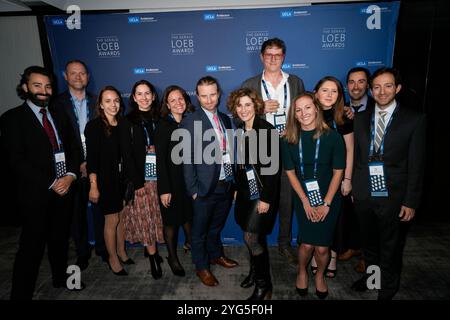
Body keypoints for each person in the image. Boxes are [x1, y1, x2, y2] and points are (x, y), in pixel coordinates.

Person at [2, 66, 81, 299]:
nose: (44, 91)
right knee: (31, 248)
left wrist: (70, 176)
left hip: (64, 190)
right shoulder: (11, 119)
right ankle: (21, 294)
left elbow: (74, 149)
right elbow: (15, 161)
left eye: (47, 86)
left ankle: (59, 279)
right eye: (37, 86)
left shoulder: (58, 113)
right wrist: (51, 182)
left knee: (60, 241)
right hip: (35, 195)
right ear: (25, 87)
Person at [351, 67, 426, 300]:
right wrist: (354, 187)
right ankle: (374, 279)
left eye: (388, 86)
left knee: (390, 246)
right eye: (377, 87)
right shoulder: (361, 119)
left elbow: (417, 165)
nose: (382, 91)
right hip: (364, 193)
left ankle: (388, 287)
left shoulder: (415, 120)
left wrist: (410, 201)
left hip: (394, 196)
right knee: (370, 243)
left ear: (398, 88)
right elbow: (357, 158)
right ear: (371, 91)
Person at [242, 37, 305, 266]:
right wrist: (259, 109)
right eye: (268, 54)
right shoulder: (250, 83)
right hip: (262, 149)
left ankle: (285, 244)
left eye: (277, 55)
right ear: (261, 57)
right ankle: (256, 244)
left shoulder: (296, 82)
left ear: (283, 57)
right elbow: (242, 115)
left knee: (287, 200)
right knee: (260, 198)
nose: (273, 59)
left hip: (288, 146)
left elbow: (305, 112)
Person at [282, 92, 345, 299]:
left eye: (308, 107)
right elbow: (290, 173)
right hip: (304, 198)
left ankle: (319, 276)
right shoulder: (288, 139)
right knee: (307, 244)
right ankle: (302, 271)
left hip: (329, 198)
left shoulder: (333, 137)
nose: (303, 113)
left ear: (316, 108)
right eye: (298, 110)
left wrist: (326, 203)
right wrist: (305, 201)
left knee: (323, 248)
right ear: (294, 115)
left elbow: (338, 173)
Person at [181, 76, 238, 287]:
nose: (208, 99)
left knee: (216, 226)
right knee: (199, 232)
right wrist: (193, 190)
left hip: (225, 184)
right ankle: (201, 267)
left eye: (212, 94)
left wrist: (234, 182)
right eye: (203, 96)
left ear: (219, 93)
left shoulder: (225, 118)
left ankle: (216, 255)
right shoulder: (190, 121)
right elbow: (186, 159)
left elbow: (230, 151)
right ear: (197, 96)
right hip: (203, 189)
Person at [52, 59, 107, 271]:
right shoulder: (56, 105)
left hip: (97, 166)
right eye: (73, 73)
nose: (78, 77)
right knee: (77, 215)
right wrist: (78, 165)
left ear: (88, 76)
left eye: (82, 73)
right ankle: (83, 253)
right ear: (65, 77)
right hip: (70, 170)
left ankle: (103, 249)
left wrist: (91, 163)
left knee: (101, 212)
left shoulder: (97, 102)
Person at [227, 88, 280, 300]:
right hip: (245, 193)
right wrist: (236, 190)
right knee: (251, 234)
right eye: (239, 105)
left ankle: (263, 285)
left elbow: (273, 171)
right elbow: (239, 165)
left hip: (262, 194)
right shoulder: (239, 130)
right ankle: (255, 271)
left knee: (251, 236)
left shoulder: (267, 131)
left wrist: (266, 198)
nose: (243, 109)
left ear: (256, 106)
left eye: (248, 104)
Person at [119, 80, 165, 279]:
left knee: (157, 216)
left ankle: (151, 249)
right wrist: (137, 183)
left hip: (161, 177)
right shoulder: (127, 121)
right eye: (140, 93)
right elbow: (126, 156)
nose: (144, 97)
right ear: (134, 97)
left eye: (148, 93)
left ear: (154, 96)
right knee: (146, 218)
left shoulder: (161, 118)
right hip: (141, 178)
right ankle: (154, 258)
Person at [309, 76, 354, 278]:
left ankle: (332, 258)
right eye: (324, 90)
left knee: (334, 219)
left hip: (336, 177)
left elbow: (350, 150)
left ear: (339, 95)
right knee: (313, 218)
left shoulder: (342, 117)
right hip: (312, 178)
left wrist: (347, 179)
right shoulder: (307, 114)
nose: (329, 95)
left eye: (334, 91)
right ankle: (313, 257)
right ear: (316, 93)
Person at [85, 85, 130, 276]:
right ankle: (112, 258)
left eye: (116, 100)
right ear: (101, 105)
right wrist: (93, 186)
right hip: (104, 181)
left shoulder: (123, 124)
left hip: (121, 180)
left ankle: (121, 252)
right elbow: (92, 161)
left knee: (122, 217)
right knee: (111, 220)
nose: (113, 105)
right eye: (108, 101)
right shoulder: (94, 126)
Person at [154, 85, 194, 277]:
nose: (178, 103)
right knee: (170, 223)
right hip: (170, 184)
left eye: (181, 99)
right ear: (167, 105)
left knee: (187, 217)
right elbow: (160, 160)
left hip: (187, 182)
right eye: (173, 100)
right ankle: (172, 257)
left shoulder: (189, 122)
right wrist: (164, 189)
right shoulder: (163, 125)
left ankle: (189, 243)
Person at [338, 67, 375, 272]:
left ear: (367, 85)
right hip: (348, 168)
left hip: (369, 171)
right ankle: (354, 246)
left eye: (361, 82)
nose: (356, 86)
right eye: (352, 82)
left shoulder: (376, 108)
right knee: (350, 211)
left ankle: (369, 257)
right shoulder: (341, 109)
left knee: (368, 214)